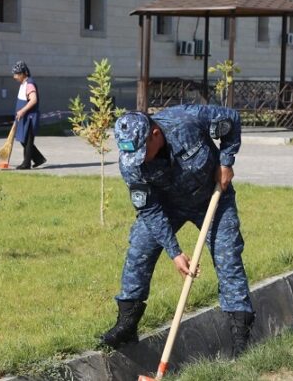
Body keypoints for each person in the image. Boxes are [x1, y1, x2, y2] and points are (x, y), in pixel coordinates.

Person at [100, 105, 255, 357]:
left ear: (155, 134)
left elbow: (232, 120)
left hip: (212, 198)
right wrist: (175, 252)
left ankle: (240, 335)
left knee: (228, 257)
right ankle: (127, 323)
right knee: (140, 246)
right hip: (168, 205)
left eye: (143, 151)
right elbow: (149, 210)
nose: (140, 160)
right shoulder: (131, 163)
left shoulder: (187, 119)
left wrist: (226, 162)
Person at [12, 61, 46, 169]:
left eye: (17, 74)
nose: (15, 77)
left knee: (28, 141)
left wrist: (22, 111)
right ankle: (39, 159)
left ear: (23, 73)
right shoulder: (23, 84)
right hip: (23, 117)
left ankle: (26, 163)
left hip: (30, 117)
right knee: (24, 140)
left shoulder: (30, 84)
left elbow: (33, 100)